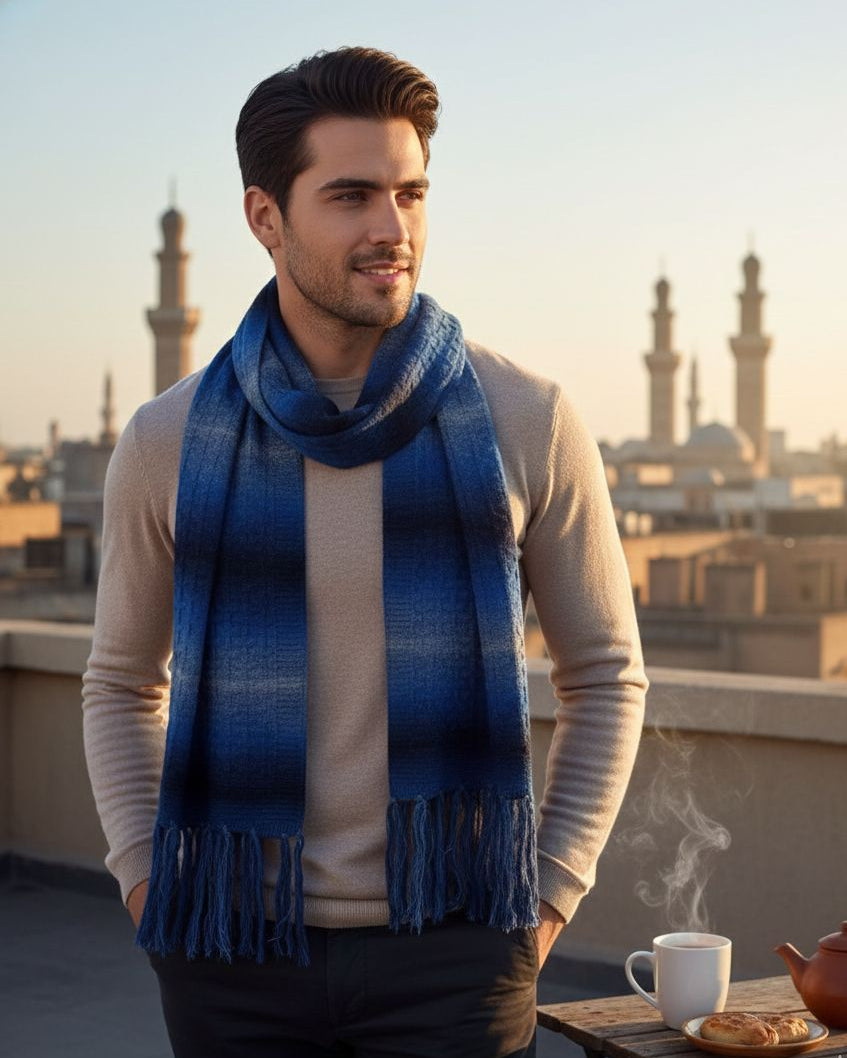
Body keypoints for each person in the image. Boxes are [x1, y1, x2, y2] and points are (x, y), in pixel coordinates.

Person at [82, 45, 647, 1058]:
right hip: (230, 947)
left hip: (456, 948)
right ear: (266, 217)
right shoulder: (167, 441)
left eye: (410, 192)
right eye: (350, 195)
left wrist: (543, 903)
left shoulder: (525, 417)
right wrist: (143, 880)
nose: (392, 228)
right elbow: (122, 681)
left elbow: (605, 675)